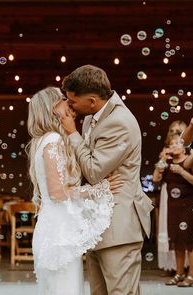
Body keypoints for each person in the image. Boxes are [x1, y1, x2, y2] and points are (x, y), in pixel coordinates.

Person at [60, 64, 154, 295]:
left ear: (92, 100)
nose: (70, 106)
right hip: (97, 222)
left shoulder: (119, 121)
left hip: (118, 225)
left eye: (72, 101)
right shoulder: (90, 118)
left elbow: (93, 170)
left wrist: (72, 134)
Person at [27, 87, 123, 295]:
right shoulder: (53, 141)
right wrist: (98, 189)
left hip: (56, 230)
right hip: (58, 236)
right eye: (63, 99)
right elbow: (58, 193)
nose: (68, 102)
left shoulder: (44, 141)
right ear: (53, 108)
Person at [153, 134, 193, 287]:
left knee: (191, 241)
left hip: (191, 206)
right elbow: (156, 179)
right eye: (171, 145)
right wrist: (162, 160)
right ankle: (179, 273)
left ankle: (192, 275)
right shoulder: (168, 163)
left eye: (177, 144)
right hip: (174, 207)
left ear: (184, 145)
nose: (173, 147)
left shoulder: (191, 160)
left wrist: (181, 171)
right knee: (177, 240)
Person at [155, 120, 187, 273]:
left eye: (179, 130)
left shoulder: (190, 151)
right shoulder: (166, 152)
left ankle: (188, 266)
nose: (175, 133)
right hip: (169, 193)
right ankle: (172, 266)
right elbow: (156, 178)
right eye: (172, 130)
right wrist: (162, 159)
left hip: (186, 193)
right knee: (169, 229)